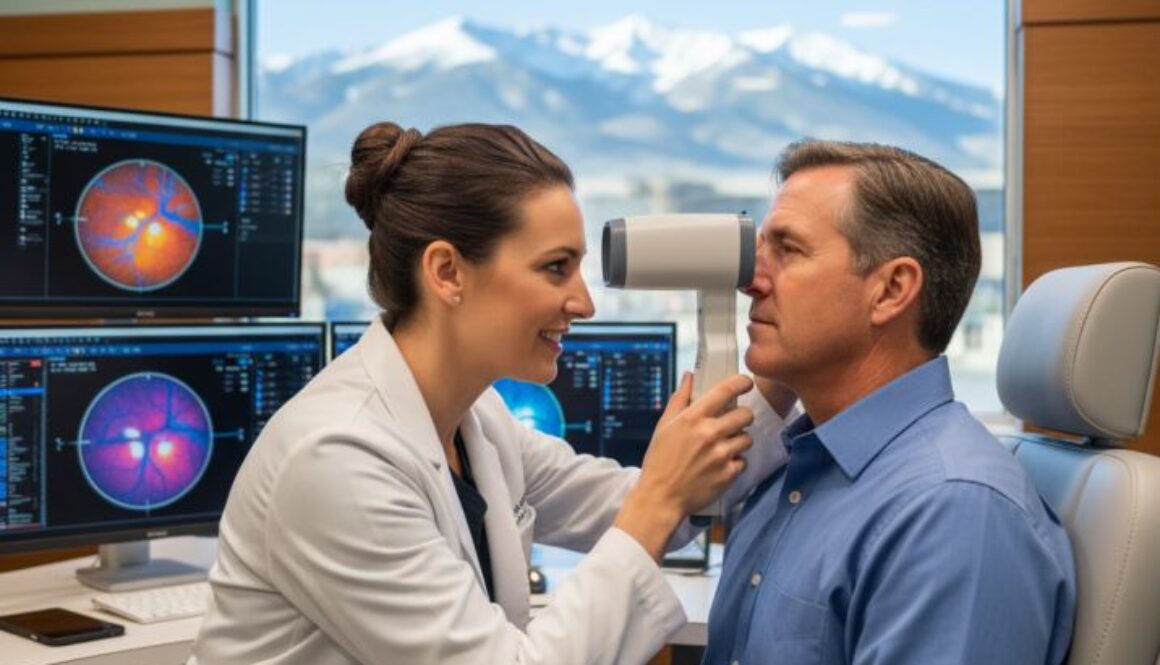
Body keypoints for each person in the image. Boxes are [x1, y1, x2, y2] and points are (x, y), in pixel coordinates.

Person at [189, 122, 792, 665]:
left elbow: (655, 504)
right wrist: (658, 497)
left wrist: (787, 371)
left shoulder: (478, 419)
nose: (583, 303)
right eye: (556, 268)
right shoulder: (335, 456)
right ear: (447, 272)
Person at [703, 141, 1076, 665]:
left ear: (891, 290)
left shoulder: (953, 513)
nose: (750, 280)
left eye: (787, 250)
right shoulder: (798, 470)